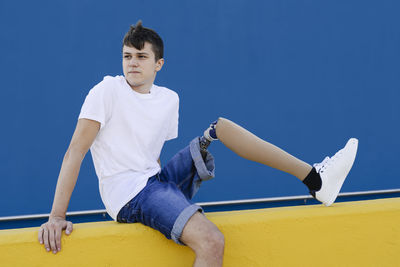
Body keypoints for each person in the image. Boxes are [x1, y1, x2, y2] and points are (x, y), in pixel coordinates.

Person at [38, 20, 358, 267]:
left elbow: (146, 156)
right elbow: (75, 152)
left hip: (155, 181)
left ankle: (315, 179)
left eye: (141, 56)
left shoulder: (169, 100)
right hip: (130, 195)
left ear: (158, 64)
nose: (132, 63)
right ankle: (315, 180)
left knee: (220, 129)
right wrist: (56, 215)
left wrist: (168, 189)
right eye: (127, 56)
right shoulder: (105, 91)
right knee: (212, 242)